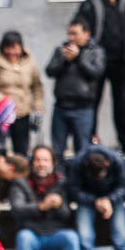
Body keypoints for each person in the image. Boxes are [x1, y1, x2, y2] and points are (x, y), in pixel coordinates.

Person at [73, 0, 125, 152]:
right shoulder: (90, 5)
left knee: (122, 105)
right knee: (92, 103)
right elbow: (78, 27)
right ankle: (89, 144)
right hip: (97, 63)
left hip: (122, 63)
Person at [8, 146, 78, 250]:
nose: (41, 164)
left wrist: (59, 205)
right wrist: (41, 206)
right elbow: (17, 209)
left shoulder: (61, 183)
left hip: (55, 234)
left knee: (72, 238)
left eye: (46, 160)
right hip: (32, 233)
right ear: (32, 162)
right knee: (23, 237)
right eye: (38, 160)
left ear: (53, 163)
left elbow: (66, 215)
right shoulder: (21, 183)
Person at [68, 146, 125, 250]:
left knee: (121, 238)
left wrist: (110, 199)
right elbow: (73, 190)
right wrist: (95, 201)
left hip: (113, 198)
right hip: (87, 199)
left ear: (107, 165)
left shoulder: (117, 161)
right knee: (85, 240)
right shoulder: (78, 163)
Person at [0, 31, 44, 155]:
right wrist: (4, 101)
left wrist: (38, 107)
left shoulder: (29, 61)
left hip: (22, 114)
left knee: (22, 151)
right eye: (8, 48)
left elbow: (37, 86)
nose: (12, 52)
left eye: (15, 48)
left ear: (21, 47)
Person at [46, 20, 106, 156]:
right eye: (69, 34)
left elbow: (96, 73)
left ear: (86, 34)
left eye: (74, 34)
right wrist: (64, 60)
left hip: (83, 108)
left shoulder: (95, 51)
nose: (70, 38)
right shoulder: (61, 50)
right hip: (61, 107)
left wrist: (79, 58)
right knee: (57, 150)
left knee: (83, 150)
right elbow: (49, 71)